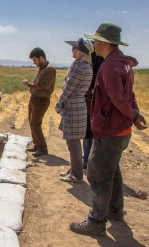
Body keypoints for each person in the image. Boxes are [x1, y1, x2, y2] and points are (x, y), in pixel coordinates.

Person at [70, 23, 147, 236]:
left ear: (104, 42)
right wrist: (136, 114)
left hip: (110, 129)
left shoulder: (110, 66)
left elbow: (119, 98)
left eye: (95, 40)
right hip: (120, 130)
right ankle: (115, 210)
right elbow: (129, 95)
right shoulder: (123, 64)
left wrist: (133, 115)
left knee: (97, 173)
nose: (93, 43)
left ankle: (96, 221)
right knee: (112, 171)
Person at [55, 38, 93, 183]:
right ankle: (74, 169)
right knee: (73, 141)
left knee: (73, 142)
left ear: (80, 51)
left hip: (73, 106)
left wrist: (59, 104)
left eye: (74, 48)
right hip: (79, 105)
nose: (72, 50)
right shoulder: (87, 65)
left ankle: (76, 174)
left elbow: (68, 88)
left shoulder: (79, 67)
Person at [22, 47, 56, 157]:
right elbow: (38, 83)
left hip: (41, 100)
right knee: (32, 123)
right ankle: (37, 145)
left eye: (35, 60)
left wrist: (29, 84)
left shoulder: (50, 69)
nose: (34, 62)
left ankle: (42, 148)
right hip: (34, 98)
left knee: (35, 124)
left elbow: (44, 85)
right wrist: (31, 84)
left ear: (41, 58)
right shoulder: (42, 68)